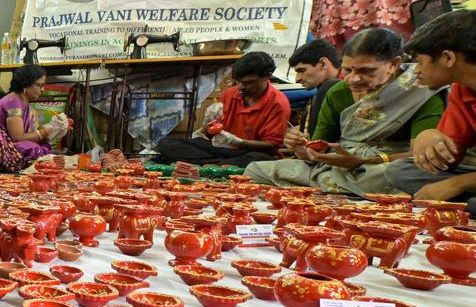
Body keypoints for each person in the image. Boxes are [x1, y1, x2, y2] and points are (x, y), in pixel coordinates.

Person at [246, 28, 445, 197]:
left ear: (393, 63)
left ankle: (335, 188)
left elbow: (419, 156)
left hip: (380, 167)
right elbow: (319, 150)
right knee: (255, 169)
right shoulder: (338, 92)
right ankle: (343, 189)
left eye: (366, 71)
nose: (353, 79)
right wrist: (301, 149)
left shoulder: (421, 91)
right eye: (348, 70)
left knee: (398, 174)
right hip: (336, 167)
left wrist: (363, 161)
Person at [385, 10, 476, 214]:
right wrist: (429, 138)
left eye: (420, 61)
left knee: (466, 198)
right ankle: (469, 204)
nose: (416, 70)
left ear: (447, 57)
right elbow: (450, 159)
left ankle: (467, 203)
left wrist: (456, 185)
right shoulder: (462, 90)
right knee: (400, 171)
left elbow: (454, 179)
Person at [155, 52, 291, 166]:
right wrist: (205, 129)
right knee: (166, 143)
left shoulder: (278, 103)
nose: (240, 87)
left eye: (248, 83)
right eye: (238, 82)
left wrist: (239, 142)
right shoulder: (230, 94)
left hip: (249, 153)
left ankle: (213, 164)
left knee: (261, 159)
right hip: (222, 150)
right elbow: (214, 134)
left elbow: (272, 146)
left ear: (267, 76)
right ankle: (222, 165)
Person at [286, 39, 341, 140]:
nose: (297, 79)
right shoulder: (321, 90)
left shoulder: (332, 88)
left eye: (302, 70)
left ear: (323, 64)